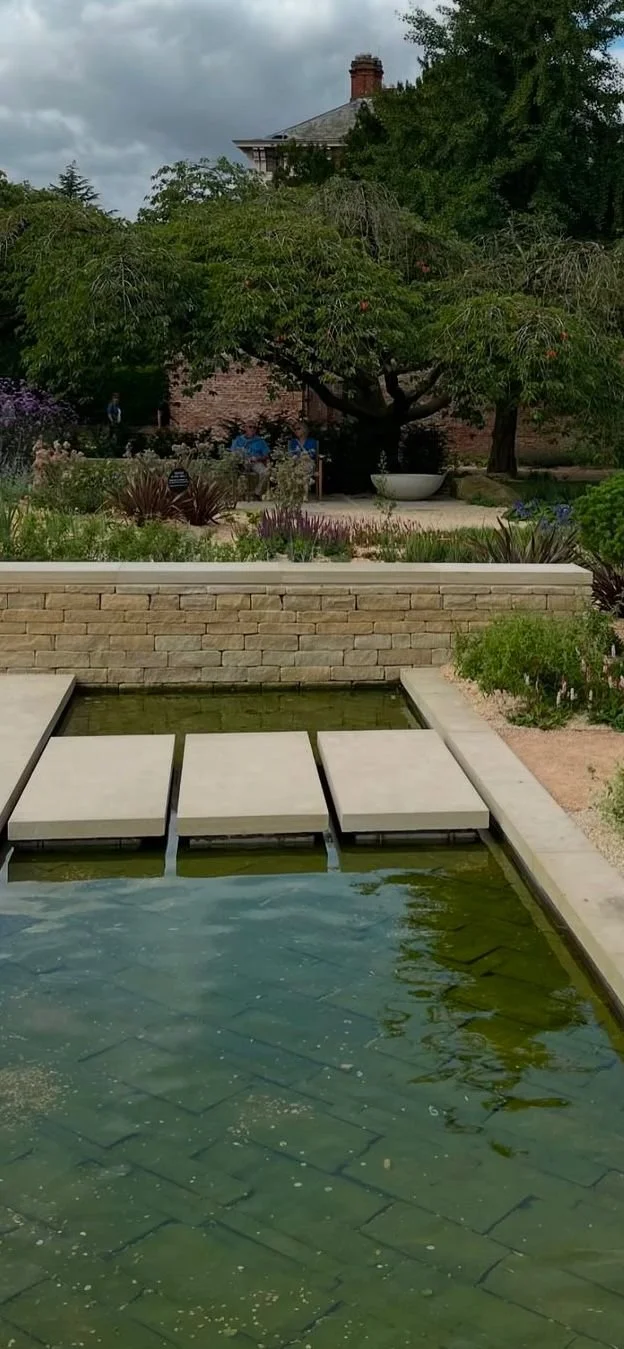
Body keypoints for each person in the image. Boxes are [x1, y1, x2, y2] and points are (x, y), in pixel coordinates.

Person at [230, 420, 271, 497]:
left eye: (254, 427)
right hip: (241, 463)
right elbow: (232, 453)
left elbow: (266, 455)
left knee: (265, 472)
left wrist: (257, 458)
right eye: (250, 427)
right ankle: (236, 493)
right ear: (245, 428)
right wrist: (239, 458)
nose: (252, 429)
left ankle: (257, 493)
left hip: (255, 462)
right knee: (230, 470)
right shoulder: (238, 440)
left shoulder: (260, 441)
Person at [289, 420, 319, 495]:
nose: (296, 431)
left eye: (298, 428)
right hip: (296, 463)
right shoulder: (293, 442)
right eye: (295, 429)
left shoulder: (312, 441)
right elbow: (291, 454)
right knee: (293, 469)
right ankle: (302, 490)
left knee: (305, 467)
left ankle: (304, 494)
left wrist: (302, 455)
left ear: (304, 430)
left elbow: (312, 454)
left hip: (308, 463)